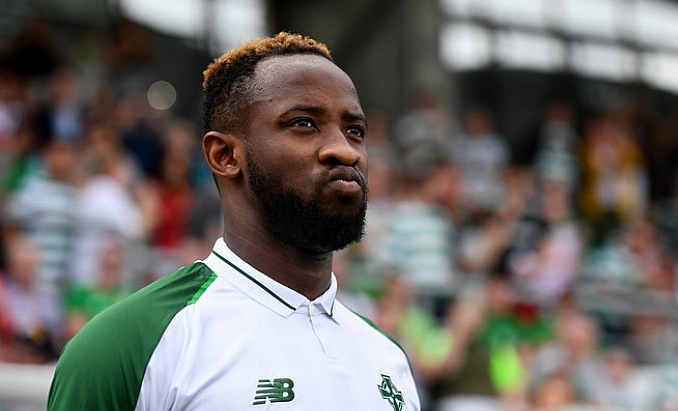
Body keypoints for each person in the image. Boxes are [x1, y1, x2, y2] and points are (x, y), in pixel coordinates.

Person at [47, 32, 421, 411]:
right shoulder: (129, 344)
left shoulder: (387, 356)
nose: (344, 149)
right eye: (304, 123)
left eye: (354, 131)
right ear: (224, 155)